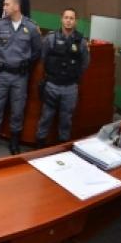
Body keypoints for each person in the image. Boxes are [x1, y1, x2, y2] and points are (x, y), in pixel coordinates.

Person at [0, 0, 42, 155]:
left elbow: (37, 50)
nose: (4, 7)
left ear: (16, 6)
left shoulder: (31, 27)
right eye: (4, 4)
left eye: (7, 4)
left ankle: (14, 142)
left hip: (20, 76)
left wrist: (24, 63)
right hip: (1, 74)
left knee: (17, 110)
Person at [35, 8, 90, 147]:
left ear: (75, 21)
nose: (68, 21)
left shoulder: (81, 42)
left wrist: (73, 77)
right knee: (46, 117)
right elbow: (43, 58)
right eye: (66, 17)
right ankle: (39, 145)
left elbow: (85, 63)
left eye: (71, 18)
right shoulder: (51, 38)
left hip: (70, 88)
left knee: (66, 120)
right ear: (61, 19)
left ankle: (62, 147)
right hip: (52, 85)